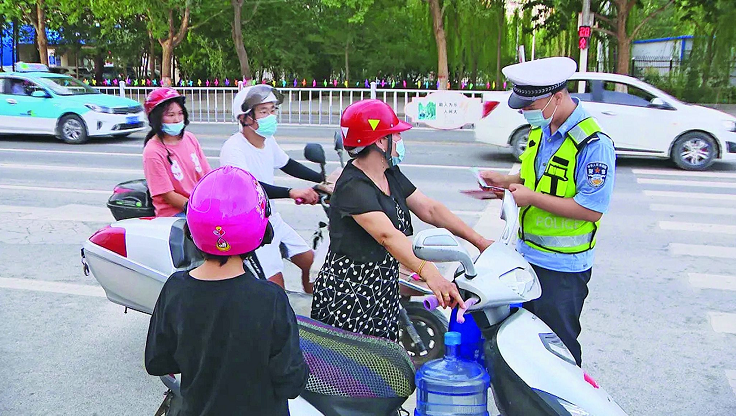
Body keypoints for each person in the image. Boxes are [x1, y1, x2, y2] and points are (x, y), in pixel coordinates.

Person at [310, 99, 493, 342]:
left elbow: (430, 209)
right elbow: (388, 236)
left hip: (382, 286)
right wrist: (432, 275)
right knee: (352, 369)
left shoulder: (389, 172)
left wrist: (479, 241)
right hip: (349, 294)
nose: (399, 141)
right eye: (395, 135)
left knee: (383, 362)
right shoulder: (352, 186)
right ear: (379, 141)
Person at [480, 57, 616, 366]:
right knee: (529, 346)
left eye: (530, 104)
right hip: (528, 256)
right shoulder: (542, 129)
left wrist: (531, 197)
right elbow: (538, 180)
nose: (525, 112)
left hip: (563, 268)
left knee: (560, 350)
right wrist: (504, 183)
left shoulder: (593, 144)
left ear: (558, 96)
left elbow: (590, 209)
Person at [145, 166, 309, 416]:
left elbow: (158, 361)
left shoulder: (175, 288)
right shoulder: (270, 299)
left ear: (190, 231)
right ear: (262, 232)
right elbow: (291, 382)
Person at [220, 84, 323, 293]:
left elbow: (287, 164)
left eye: (273, 110)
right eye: (263, 112)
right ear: (245, 118)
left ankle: (317, 314)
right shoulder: (233, 148)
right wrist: (291, 192)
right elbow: (249, 187)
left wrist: (323, 179)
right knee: (276, 290)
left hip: (272, 219)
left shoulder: (268, 140)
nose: (271, 116)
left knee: (315, 267)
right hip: (252, 227)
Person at [142, 87, 211, 217]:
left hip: (199, 206)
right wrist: (196, 208)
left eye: (180, 113)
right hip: (176, 213)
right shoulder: (153, 151)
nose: (177, 119)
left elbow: (207, 175)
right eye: (171, 115)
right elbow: (168, 195)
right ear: (157, 118)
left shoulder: (190, 138)